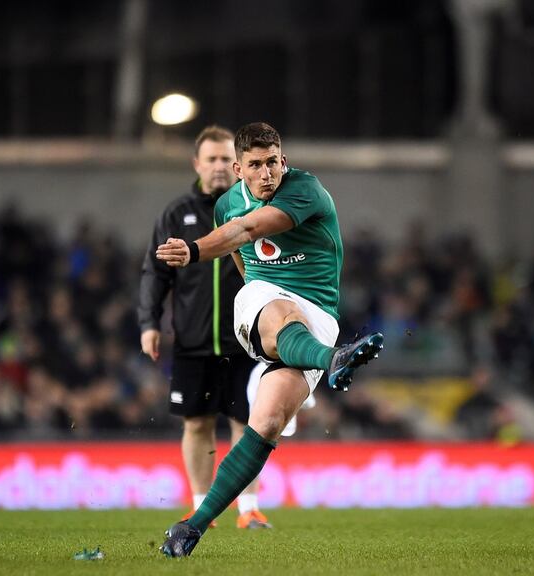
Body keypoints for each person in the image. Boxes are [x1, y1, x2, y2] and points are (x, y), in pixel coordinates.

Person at [155, 122, 384, 557]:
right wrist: (207, 259)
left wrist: (196, 249)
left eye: (272, 162)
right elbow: (240, 252)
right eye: (255, 165)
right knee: (274, 305)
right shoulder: (226, 205)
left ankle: (189, 529)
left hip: (317, 317)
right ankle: (332, 360)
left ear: (284, 161)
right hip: (264, 302)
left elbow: (250, 231)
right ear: (239, 169)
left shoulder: (305, 189)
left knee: (267, 422)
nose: (266, 174)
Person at [138, 125, 272, 530]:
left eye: (223, 159)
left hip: (247, 340)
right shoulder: (177, 214)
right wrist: (148, 322)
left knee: (248, 425)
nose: (217, 167)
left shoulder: (254, 209)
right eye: (209, 159)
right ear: (197, 164)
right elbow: (155, 272)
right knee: (196, 423)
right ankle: (201, 508)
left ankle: (247, 509)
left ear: (236, 164)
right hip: (193, 341)